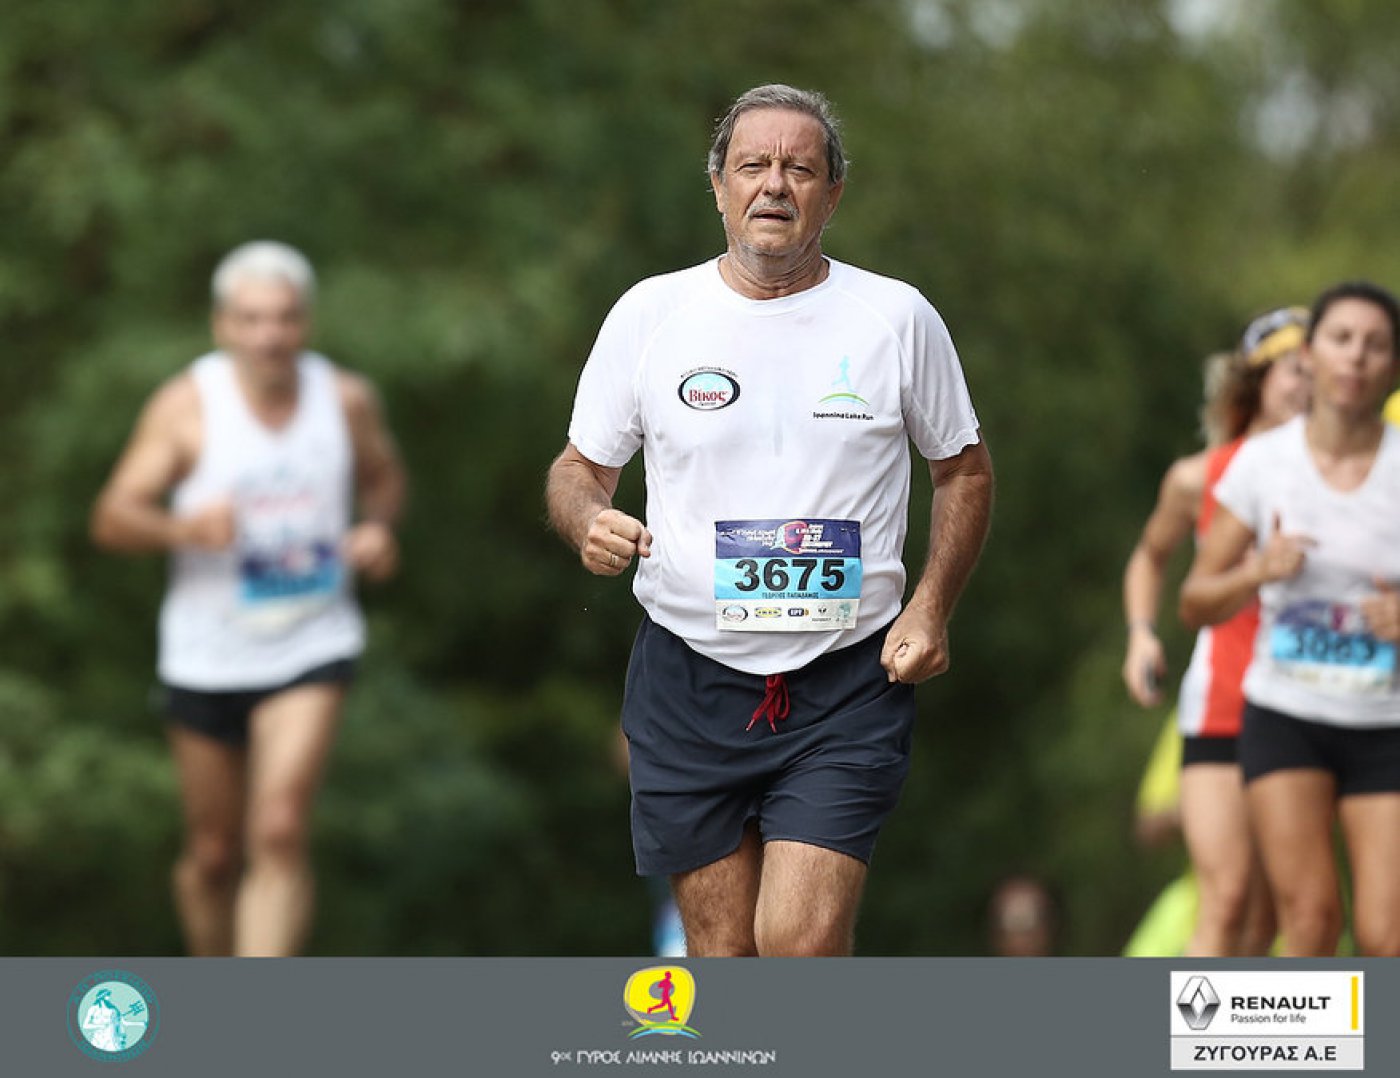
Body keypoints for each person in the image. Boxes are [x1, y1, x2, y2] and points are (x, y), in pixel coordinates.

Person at [545, 84, 993, 957]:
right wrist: (587, 519)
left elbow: (964, 470)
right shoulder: (651, 315)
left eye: (800, 168)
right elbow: (577, 470)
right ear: (718, 187)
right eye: (753, 165)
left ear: (834, 194)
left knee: (798, 942)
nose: (775, 184)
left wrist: (932, 604)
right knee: (723, 956)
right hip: (689, 674)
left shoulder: (896, 318)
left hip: (847, 675)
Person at [90, 241, 406, 956]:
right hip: (206, 652)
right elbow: (112, 517)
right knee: (212, 854)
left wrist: (377, 530)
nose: (270, 335)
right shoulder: (185, 406)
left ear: (306, 322)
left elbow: (384, 477)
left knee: (280, 828)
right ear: (222, 325)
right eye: (252, 319)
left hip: (311, 639)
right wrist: (183, 528)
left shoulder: (344, 399)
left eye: (285, 318)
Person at [1180, 280, 1400, 957]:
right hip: (1286, 716)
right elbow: (1195, 600)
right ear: (1311, 355)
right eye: (1341, 339)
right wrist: (1257, 571)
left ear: (1393, 366)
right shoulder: (1263, 464)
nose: (1356, 356)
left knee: (1385, 934)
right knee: (1310, 922)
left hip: (1385, 722)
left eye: (1375, 344)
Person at [1120, 309, 1310, 956]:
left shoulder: (1341, 476)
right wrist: (1141, 634)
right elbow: (1150, 557)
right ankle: (1186, 1025)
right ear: (1256, 381)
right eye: (1295, 370)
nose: (1309, 385)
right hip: (1223, 696)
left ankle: (1244, 1025)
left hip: (1309, 700)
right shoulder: (1199, 476)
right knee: (1225, 898)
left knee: (1266, 917)